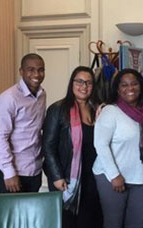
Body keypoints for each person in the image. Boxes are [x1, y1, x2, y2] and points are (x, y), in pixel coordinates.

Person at [93, 68, 143, 228]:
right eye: (124, 85)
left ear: (141, 86)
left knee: (137, 223)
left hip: (139, 177)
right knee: (114, 223)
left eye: (134, 84)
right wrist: (115, 176)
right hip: (111, 177)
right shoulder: (110, 111)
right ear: (117, 89)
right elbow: (100, 144)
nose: (130, 88)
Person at [42, 66, 103, 228]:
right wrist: (56, 176)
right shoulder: (58, 109)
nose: (84, 86)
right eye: (80, 81)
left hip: (93, 177)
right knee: (68, 222)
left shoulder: (97, 109)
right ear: (72, 84)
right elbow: (48, 146)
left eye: (89, 83)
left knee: (90, 220)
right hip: (68, 177)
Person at [0, 53, 46, 193]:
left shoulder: (41, 94)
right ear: (21, 71)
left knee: (29, 214)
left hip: (34, 169)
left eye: (41, 69)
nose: (37, 74)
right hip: (13, 171)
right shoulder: (9, 98)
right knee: (9, 215)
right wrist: (9, 172)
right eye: (31, 69)